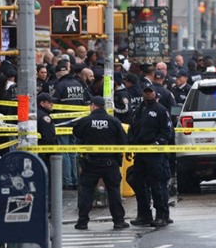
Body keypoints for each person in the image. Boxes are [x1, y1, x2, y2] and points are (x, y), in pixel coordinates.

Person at [71, 96, 130, 230]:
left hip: (90, 162)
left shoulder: (85, 121)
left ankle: (82, 221)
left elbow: (76, 134)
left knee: (87, 192)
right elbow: (123, 140)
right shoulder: (114, 121)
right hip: (110, 162)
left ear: (93, 105)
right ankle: (118, 221)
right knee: (114, 192)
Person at [127, 84, 173, 227]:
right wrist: (130, 145)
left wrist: (158, 143)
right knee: (139, 184)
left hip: (155, 154)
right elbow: (132, 129)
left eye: (150, 92)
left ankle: (162, 215)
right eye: (145, 92)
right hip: (140, 153)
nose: (148, 94)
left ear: (155, 93)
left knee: (157, 185)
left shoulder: (161, 110)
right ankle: (144, 215)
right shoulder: (138, 111)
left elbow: (167, 132)